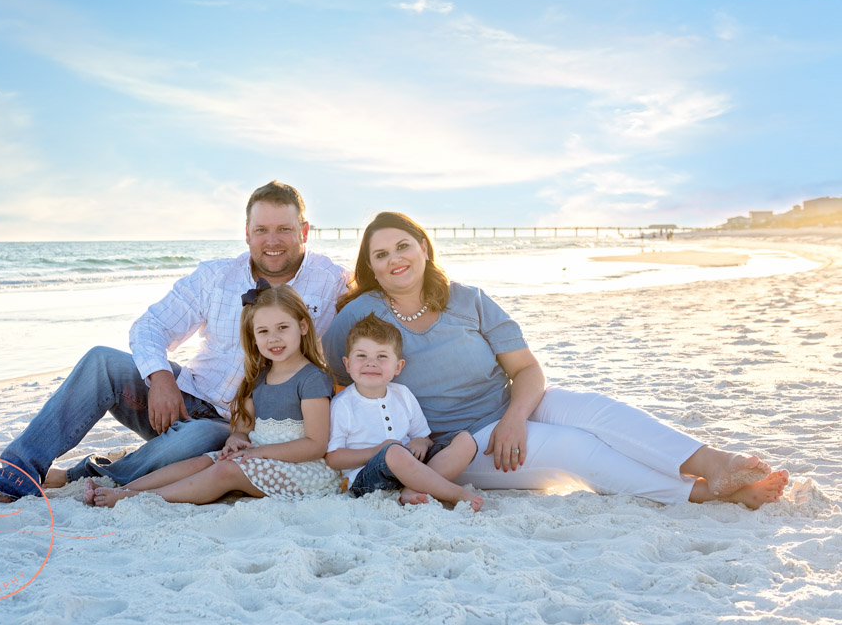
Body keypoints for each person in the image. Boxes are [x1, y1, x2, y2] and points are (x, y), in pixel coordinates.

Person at [323, 212, 790, 509]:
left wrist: (514, 418)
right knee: (575, 449)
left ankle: (713, 461)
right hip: (458, 444)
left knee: (597, 412)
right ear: (371, 266)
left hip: (513, 404)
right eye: (380, 254)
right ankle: (700, 492)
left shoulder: (468, 299)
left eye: (403, 245)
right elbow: (337, 379)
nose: (394, 259)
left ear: (424, 247)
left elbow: (526, 370)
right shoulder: (358, 315)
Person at [0, 181, 349, 506]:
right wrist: (160, 377)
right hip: (185, 394)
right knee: (102, 360)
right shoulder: (214, 276)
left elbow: (375, 298)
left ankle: (90, 476)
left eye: (284, 229)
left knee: (195, 440)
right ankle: (12, 478)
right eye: (261, 229)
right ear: (246, 233)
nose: (271, 240)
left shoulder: (329, 280)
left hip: (237, 424)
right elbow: (150, 326)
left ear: (304, 231)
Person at [86, 282, 340, 507]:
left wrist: (258, 453)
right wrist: (235, 441)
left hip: (301, 472)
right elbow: (243, 429)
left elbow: (315, 445)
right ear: (253, 337)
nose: (274, 338)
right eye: (263, 331)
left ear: (303, 326)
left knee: (224, 471)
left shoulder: (312, 379)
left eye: (283, 327)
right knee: (204, 461)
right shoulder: (258, 378)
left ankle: (141, 498)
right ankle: (127, 488)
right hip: (258, 458)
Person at [325, 313, 483, 512]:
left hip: (411, 465)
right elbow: (333, 458)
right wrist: (379, 450)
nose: (371, 363)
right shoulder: (343, 404)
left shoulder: (403, 394)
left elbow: (424, 438)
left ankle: (410, 490)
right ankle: (453, 493)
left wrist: (421, 442)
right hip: (368, 477)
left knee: (466, 440)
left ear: (398, 366)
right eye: (361, 356)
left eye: (382, 356)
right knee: (395, 451)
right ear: (347, 364)